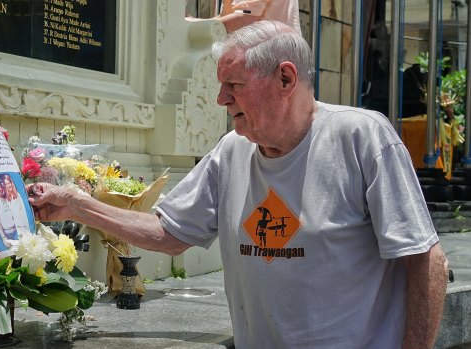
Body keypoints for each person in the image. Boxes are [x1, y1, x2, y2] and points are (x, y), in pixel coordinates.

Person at [27, 21, 449, 348]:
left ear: (286, 80)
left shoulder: (361, 137)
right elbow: (170, 233)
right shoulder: (232, 151)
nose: (221, 100)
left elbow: (425, 259)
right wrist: (78, 205)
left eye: (234, 86)